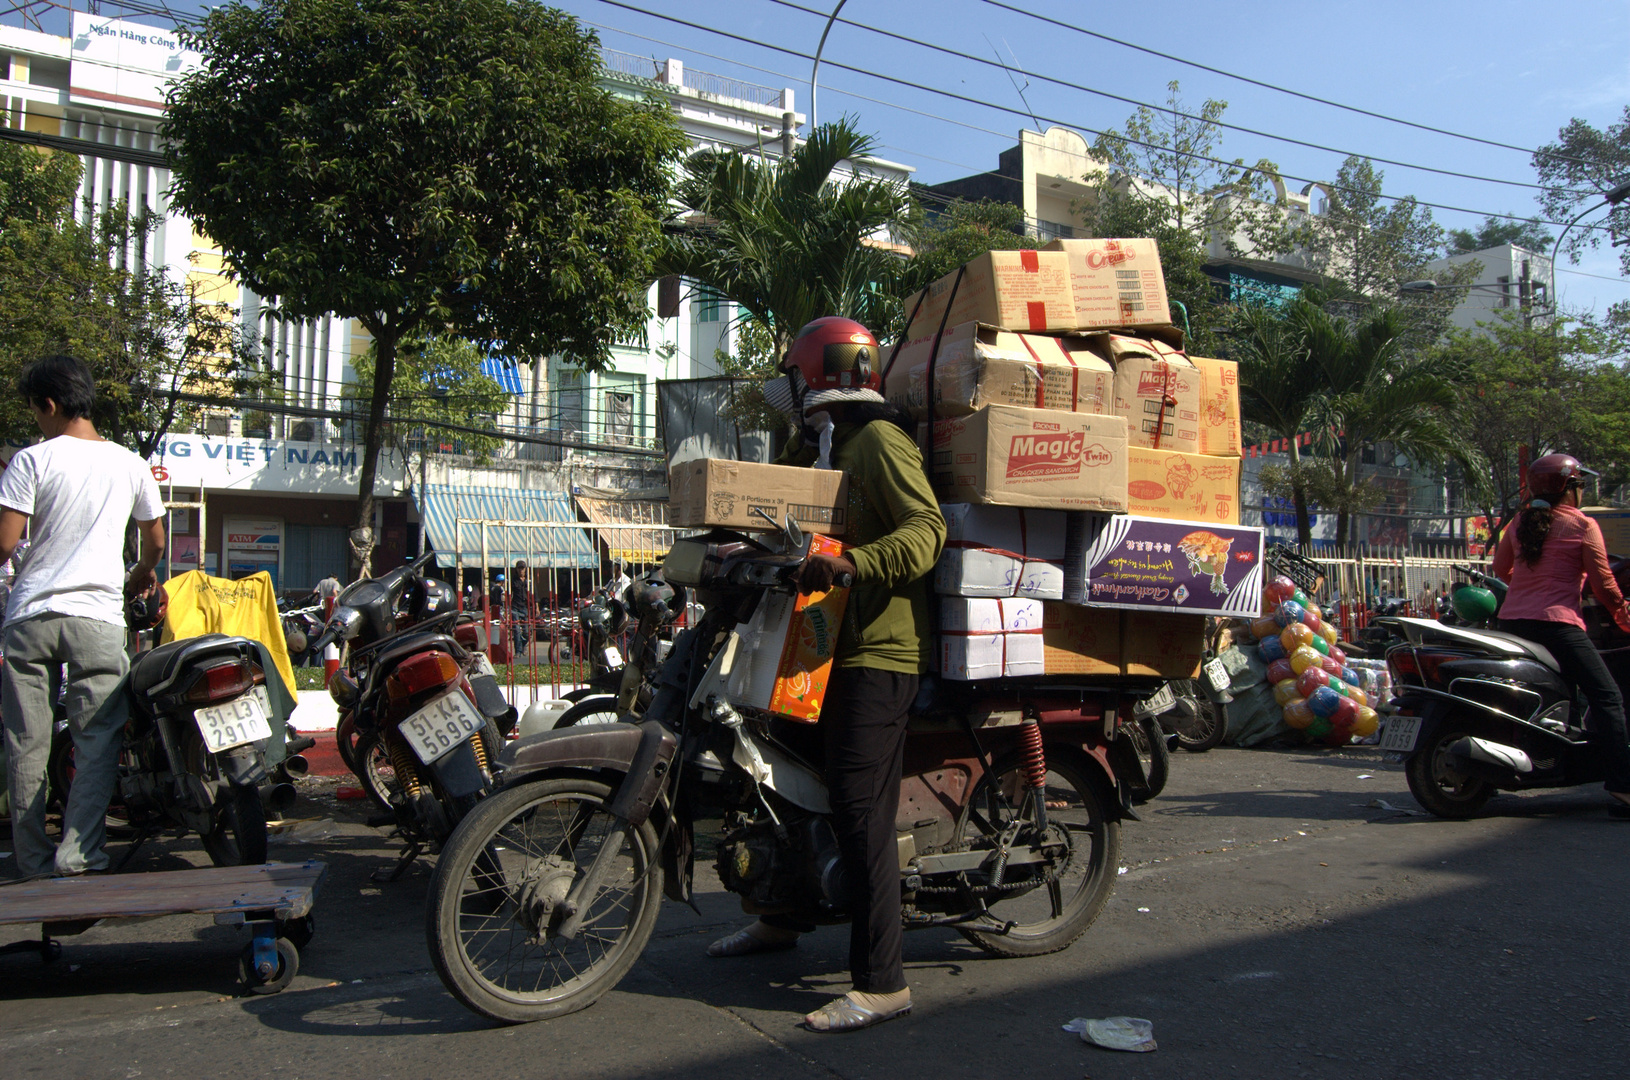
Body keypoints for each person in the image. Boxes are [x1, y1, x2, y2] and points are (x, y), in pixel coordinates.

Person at [706, 316, 946, 1033]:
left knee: (854, 805)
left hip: (880, 652)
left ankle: (882, 983)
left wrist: (854, 564)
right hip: (819, 644)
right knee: (778, 779)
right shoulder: (821, 447)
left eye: (794, 374)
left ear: (815, 375)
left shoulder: (878, 442)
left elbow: (925, 529)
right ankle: (779, 918)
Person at [0, 355, 165, 879]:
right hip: (97, 618)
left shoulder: (32, 460)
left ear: (49, 404)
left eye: (35, 412)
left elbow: (5, 544)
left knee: (28, 743)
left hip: (30, 617)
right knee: (97, 742)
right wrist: (140, 572)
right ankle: (79, 857)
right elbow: (155, 540)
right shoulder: (131, 463)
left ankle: (31, 862)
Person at [1491, 453, 1630, 818]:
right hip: (1558, 626)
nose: (1581, 491)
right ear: (1568, 488)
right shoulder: (1582, 525)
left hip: (1512, 622)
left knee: (1553, 693)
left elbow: (1500, 569)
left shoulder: (1520, 521)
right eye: (1579, 485)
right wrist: (1623, 615)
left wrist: (1529, 592)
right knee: (1608, 697)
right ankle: (1622, 786)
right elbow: (1605, 585)